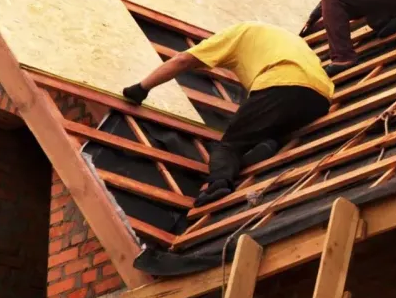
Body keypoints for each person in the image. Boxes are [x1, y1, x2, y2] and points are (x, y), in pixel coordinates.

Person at [122, 22, 333, 207]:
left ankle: (218, 184)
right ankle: (267, 145)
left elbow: (182, 61)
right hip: (321, 97)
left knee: (228, 146)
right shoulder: (281, 38)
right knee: (267, 130)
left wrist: (141, 88)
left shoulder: (235, 34)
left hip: (281, 83)